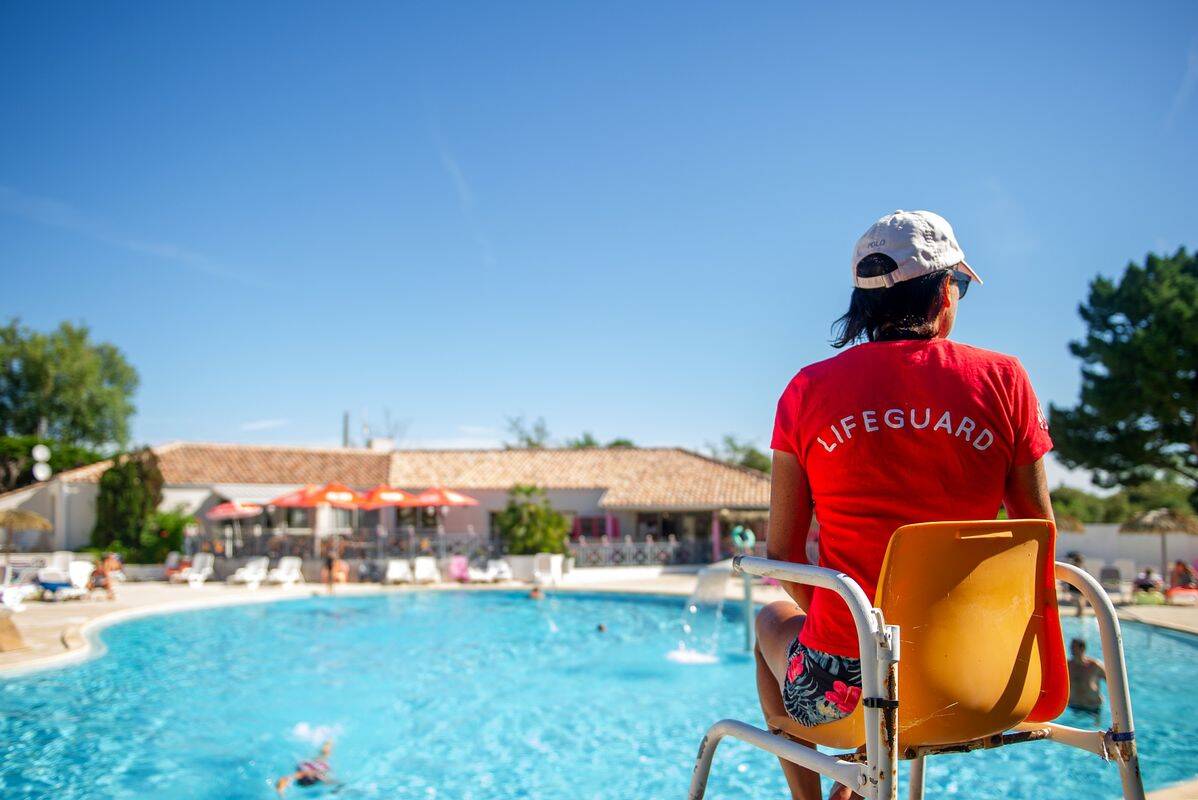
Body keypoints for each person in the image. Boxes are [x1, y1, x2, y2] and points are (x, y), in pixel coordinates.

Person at [756, 211, 1055, 800]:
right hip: (981, 682)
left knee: (769, 618)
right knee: (897, 658)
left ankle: (812, 795)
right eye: (961, 287)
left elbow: (782, 552)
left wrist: (848, 627)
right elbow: (1038, 531)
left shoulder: (806, 390)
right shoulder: (1004, 378)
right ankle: (866, 768)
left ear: (862, 304)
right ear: (945, 291)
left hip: (847, 694)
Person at [1067, 638, 1106, 714]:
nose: (1072, 650)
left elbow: (1112, 684)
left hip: (1092, 706)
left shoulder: (1095, 666)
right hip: (1073, 706)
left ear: (1083, 649)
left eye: (1074, 647)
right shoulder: (1067, 666)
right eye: (1071, 647)